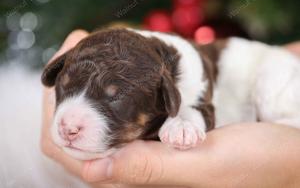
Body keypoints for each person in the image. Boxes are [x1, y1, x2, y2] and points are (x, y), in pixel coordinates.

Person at [41, 30, 300, 188]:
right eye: (66, 87)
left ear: (165, 95)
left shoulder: (187, 78)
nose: (69, 124)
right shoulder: (145, 71)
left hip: (268, 69)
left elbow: (198, 110)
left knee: (276, 90)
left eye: (114, 99)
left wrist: (292, 162)